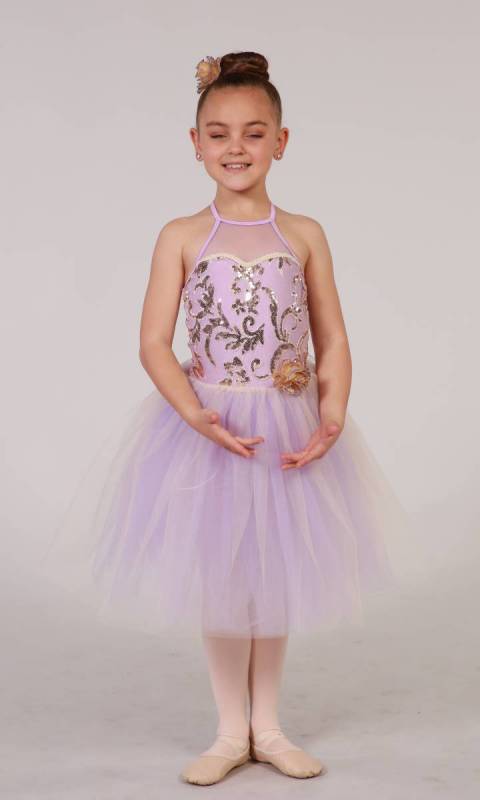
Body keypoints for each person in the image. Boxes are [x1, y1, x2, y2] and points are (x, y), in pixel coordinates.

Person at [40, 50, 409, 786]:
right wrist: (194, 414)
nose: (235, 148)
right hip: (211, 428)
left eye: (253, 132)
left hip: (286, 425)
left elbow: (333, 337)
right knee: (223, 577)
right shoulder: (181, 235)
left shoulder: (304, 233)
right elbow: (153, 342)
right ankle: (227, 730)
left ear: (281, 140)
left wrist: (332, 413)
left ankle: (268, 726)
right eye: (218, 134)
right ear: (195, 142)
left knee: (274, 574)